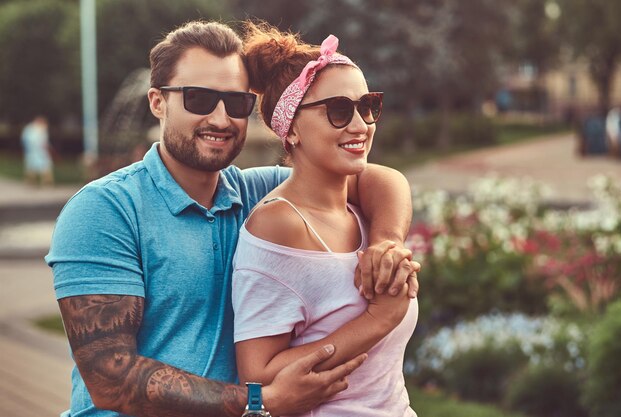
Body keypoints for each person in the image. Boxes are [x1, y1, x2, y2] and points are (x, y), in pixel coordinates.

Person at [45, 20, 419, 417]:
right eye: (199, 99)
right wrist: (260, 402)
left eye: (237, 103)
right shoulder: (105, 211)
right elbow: (110, 378)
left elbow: (380, 179)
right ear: (157, 101)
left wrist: (386, 242)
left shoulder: (256, 194)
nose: (222, 119)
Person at [231, 24, 418, 417]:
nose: (361, 125)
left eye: (367, 105)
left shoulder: (361, 207)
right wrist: (378, 319)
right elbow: (257, 374)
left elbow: (389, 178)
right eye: (338, 110)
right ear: (292, 128)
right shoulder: (279, 224)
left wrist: (387, 241)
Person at [21, 115, 54, 186]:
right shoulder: (30, 129)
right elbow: (28, 140)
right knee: (32, 167)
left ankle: (46, 183)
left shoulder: (42, 128)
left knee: (45, 167)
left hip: (41, 152)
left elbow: (44, 140)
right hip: (33, 152)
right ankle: (31, 182)